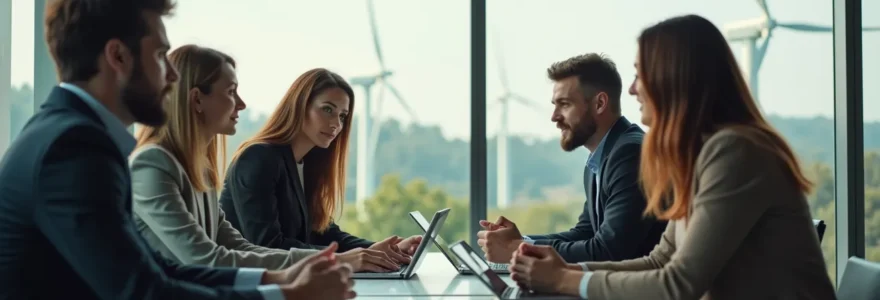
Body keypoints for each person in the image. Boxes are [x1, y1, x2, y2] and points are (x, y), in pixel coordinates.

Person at [0, 1, 354, 299]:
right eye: (159, 55)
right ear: (118, 57)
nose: (172, 76)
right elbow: (142, 289)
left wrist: (276, 280)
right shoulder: (73, 149)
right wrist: (283, 294)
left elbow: (155, 267)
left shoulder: (70, 135)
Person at [508, 14, 837, 300]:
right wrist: (564, 268)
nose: (634, 89)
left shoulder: (736, 152)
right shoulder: (699, 155)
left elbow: (678, 285)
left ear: (674, 78)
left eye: (641, 74)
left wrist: (564, 279)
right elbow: (660, 260)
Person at [131, 44, 364, 270]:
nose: (241, 104)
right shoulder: (151, 164)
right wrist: (337, 260)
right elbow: (206, 258)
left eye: (342, 116)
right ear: (197, 99)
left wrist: (337, 258)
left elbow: (239, 246)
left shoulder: (201, 168)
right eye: (231, 92)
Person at [219, 68, 422, 273]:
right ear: (300, 106)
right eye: (327, 110)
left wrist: (381, 251)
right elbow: (267, 245)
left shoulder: (308, 163)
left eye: (342, 116)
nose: (336, 124)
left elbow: (324, 232)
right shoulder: (257, 158)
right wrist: (345, 259)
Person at [477, 53, 666, 264]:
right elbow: (586, 232)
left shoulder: (630, 154)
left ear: (599, 103)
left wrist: (518, 249)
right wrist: (521, 242)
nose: (554, 117)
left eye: (564, 104)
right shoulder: (601, 157)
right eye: (554, 105)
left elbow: (608, 251)